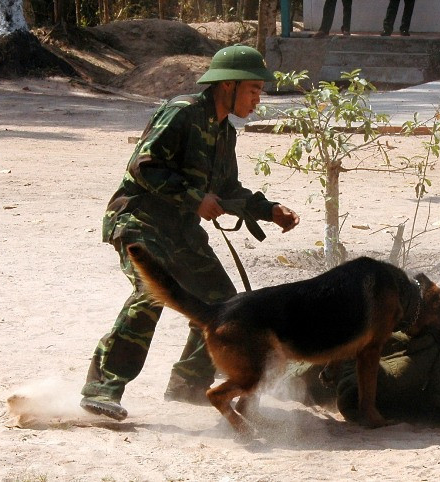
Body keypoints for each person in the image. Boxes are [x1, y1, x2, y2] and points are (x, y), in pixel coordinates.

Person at [79, 45, 300, 421]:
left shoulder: (225, 133)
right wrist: (194, 197)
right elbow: (142, 166)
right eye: (253, 90)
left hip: (180, 232)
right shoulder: (181, 113)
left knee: (223, 307)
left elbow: (229, 191)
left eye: (260, 92)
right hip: (138, 220)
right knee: (150, 294)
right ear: (227, 85)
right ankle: (102, 390)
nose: (257, 100)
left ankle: (188, 385)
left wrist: (269, 210)